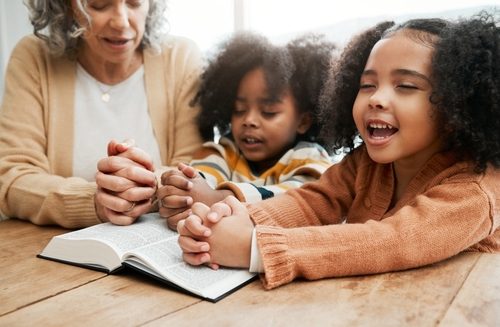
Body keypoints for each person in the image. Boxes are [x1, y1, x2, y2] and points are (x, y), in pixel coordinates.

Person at [176, 12, 500, 290]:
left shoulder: (474, 190)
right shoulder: (365, 163)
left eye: (406, 86)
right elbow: (314, 201)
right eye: (367, 84)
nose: (376, 98)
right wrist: (234, 219)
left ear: (458, 106)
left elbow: (393, 242)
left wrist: (254, 246)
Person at [0, 0, 203, 228]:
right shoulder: (34, 57)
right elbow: (11, 178)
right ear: (65, 7)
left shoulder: (181, 57)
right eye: (99, 5)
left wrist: (137, 187)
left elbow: (198, 170)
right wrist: (94, 201)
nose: (121, 21)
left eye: (135, 3)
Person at [157, 32, 337, 229]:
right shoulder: (225, 151)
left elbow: (296, 201)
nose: (249, 120)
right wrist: (183, 194)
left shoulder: (311, 159)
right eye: (239, 110)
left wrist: (219, 197)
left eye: (268, 112)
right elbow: (202, 180)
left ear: (303, 121)